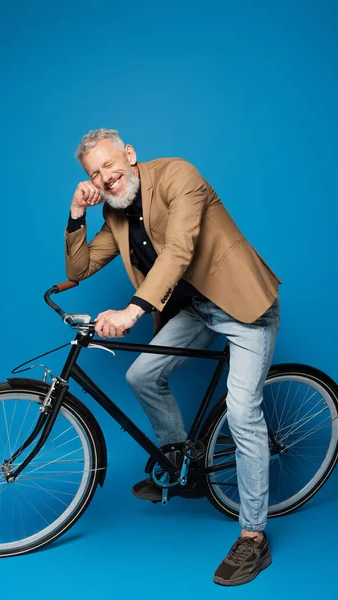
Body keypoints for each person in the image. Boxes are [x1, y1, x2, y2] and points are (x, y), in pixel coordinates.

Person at [65, 128, 281, 586]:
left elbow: (180, 249)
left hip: (242, 308)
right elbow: (79, 268)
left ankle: (254, 538)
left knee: (243, 413)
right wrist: (77, 213)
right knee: (142, 375)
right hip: (198, 310)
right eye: (94, 173)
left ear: (130, 154)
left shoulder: (179, 175)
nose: (105, 177)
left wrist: (133, 310)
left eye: (109, 164)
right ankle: (185, 469)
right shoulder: (115, 212)